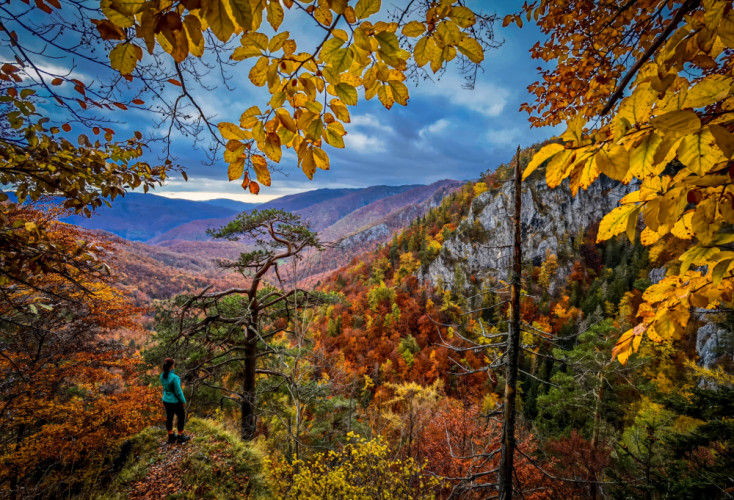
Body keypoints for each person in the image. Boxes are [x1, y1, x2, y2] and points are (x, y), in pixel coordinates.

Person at [160, 358, 190, 444]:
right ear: (172, 366)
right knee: (181, 416)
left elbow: (165, 387)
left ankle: (171, 436)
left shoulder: (162, 375)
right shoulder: (175, 378)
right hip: (175, 402)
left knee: (169, 417)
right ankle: (180, 436)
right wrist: (183, 401)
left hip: (166, 400)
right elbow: (178, 392)